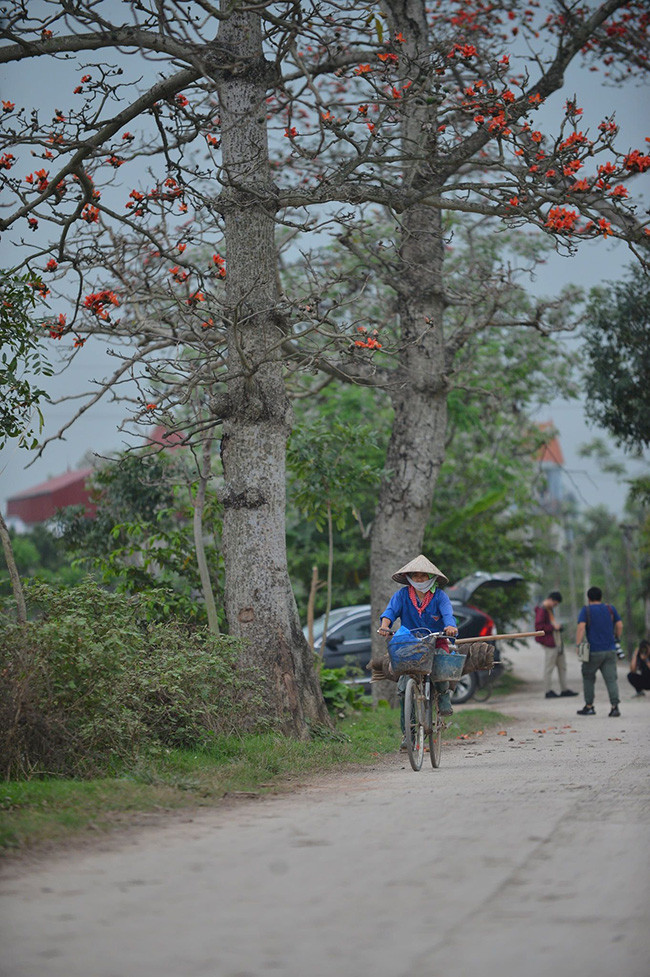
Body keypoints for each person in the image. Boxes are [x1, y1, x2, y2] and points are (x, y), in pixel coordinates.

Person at [376, 555, 458, 747]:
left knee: (441, 662)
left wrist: (450, 627)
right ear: (410, 578)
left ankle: (444, 695)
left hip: (436, 642)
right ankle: (408, 735)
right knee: (405, 688)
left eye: (423, 576)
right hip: (411, 645)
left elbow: (448, 615)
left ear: (431, 577)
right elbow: (389, 612)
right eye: (416, 576)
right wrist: (384, 625)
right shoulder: (402, 595)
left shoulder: (440, 596)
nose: (420, 580)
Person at [575, 586, 623, 717]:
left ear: (589, 598)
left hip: (593, 651)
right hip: (610, 650)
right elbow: (619, 625)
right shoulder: (610, 608)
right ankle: (615, 707)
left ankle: (589, 706)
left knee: (588, 677)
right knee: (611, 679)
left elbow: (581, 628)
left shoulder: (586, 610)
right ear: (601, 597)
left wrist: (578, 645)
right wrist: (617, 638)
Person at [535, 590, 579, 699]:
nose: (555, 606)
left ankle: (564, 689)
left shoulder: (549, 610)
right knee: (549, 668)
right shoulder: (542, 610)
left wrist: (556, 627)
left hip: (557, 641)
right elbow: (539, 627)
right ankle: (547, 690)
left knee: (562, 666)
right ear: (550, 600)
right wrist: (553, 627)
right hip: (550, 643)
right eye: (555, 603)